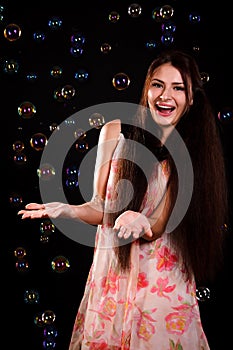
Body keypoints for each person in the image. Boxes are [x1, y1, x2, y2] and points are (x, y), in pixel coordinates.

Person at [18, 49, 229, 349]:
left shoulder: (193, 154)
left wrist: (141, 219)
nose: (165, 95)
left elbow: (157, 225)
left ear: (192, 98)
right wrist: (66, 210)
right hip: (112, 280)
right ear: (146, 89)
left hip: (161, 289)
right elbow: (99, 207)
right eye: (157, 85)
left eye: (178, 87)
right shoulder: (115, 132)